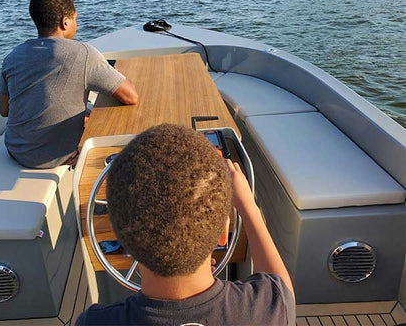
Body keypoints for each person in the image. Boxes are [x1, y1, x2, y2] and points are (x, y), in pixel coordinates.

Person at [76, 124, 295, 325]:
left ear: (120, 236)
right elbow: (282, 289)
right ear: (222, 236)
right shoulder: (268, 309)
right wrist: (248, 205)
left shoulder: (93, 322)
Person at [0, 0, 138, 168]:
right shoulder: (83, 53)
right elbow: (130, 96)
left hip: (15, 151)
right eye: (75, 20)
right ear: (65, 22)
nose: (76, 25)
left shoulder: (13, 55)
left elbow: (4, 110)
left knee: (86, 113)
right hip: (54, 158)